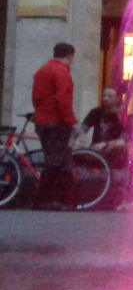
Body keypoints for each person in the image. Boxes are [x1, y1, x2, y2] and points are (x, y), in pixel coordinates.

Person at [31, 41, 77, 210]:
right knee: (59, 161)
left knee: (52, 159)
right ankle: (56, 200)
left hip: (42, 121)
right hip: (57, 123)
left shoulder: (41, 71)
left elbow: (35, 98)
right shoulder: (61, 72)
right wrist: (71, 121)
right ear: (69, 56)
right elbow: (63, 100)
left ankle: (49, 200)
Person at [80, 86, 129, 208]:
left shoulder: (122, 117)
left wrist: (107, 144)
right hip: (96, 152)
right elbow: (82, 130)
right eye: (104, 96)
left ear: (117, 99)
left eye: (109, 96)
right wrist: (79, 142)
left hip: (114, 153)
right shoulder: (95, 112)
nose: (105, 99)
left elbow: (124, 139)